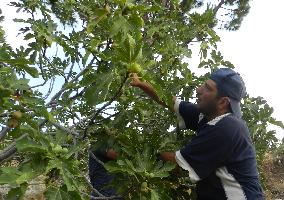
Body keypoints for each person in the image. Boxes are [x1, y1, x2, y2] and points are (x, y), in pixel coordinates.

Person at [130, 68, 264, 200]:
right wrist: (142, 84)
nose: (199, 89)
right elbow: (170, 101)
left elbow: (178, 164)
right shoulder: (207, 116)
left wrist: (141, 155)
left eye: (208, 88)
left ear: (223, 102)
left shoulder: (228, 128)